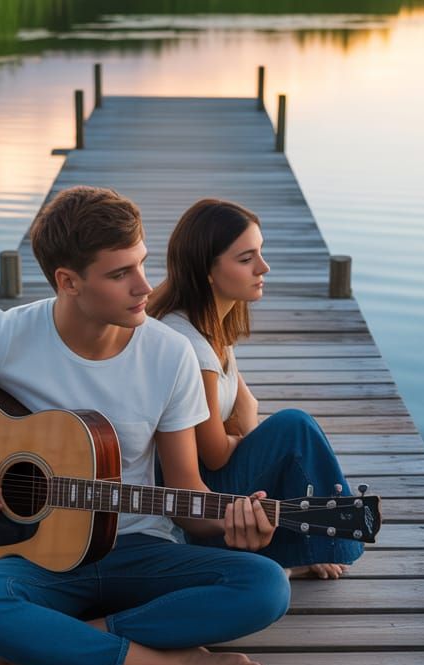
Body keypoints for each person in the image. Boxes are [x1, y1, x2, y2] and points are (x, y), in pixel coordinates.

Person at [0, 186, 291, 665]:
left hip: (140, 549)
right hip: (39, 560)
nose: (144, 287)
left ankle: (62, 646)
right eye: (119, 273)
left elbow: (189, 496)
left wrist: (236, 521)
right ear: (68, 281)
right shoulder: (8, 337)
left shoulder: (169, 355)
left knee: (265, 586)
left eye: (142, 263)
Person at [147, 197, 363, 579]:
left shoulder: (211, 324)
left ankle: (306, 546)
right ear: (207, 271)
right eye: (246, 259)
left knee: (285, 434)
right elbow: (214, 453)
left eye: (259, 253)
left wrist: (241, 430)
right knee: (293, 428)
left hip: (205, 482)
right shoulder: (192, 347)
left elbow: (245, 409)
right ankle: (321, 542)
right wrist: (240, 432)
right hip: (189, 502)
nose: (263, 267)